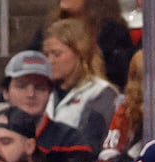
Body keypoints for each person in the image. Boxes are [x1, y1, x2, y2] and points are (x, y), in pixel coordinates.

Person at [0, 51, 96, 162]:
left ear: (50, 93)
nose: (31, 94)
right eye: (22, 86)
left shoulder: (70, 142)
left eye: (40, 87)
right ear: (5, 92)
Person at [43, 18, 121, 150]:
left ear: (80, 53)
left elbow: (89, 143)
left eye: (56, 54)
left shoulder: (101, 93)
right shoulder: (43, 92)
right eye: (46, 54)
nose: (50, 61)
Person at [26, 0, 134, 87]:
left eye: (56, 54)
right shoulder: (49, 28)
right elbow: (29, 59)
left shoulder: (113, 32)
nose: (50, 59)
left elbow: (121, 75)